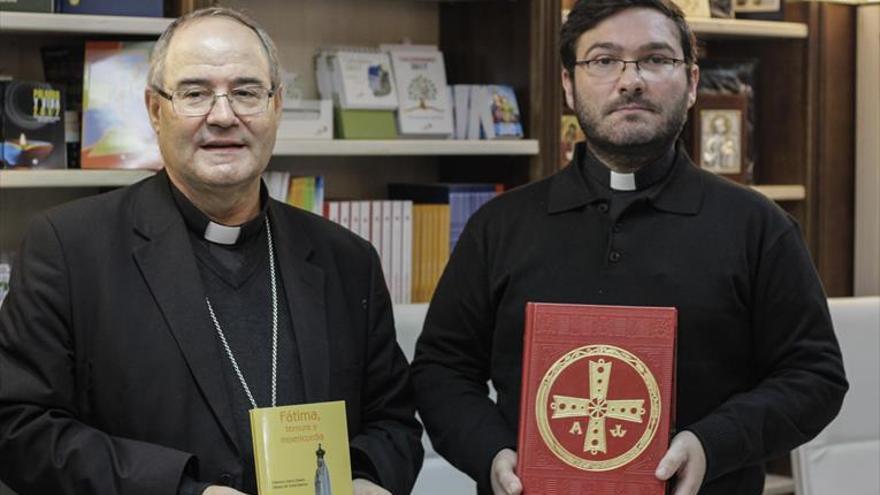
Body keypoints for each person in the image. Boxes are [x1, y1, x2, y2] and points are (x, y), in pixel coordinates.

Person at [410, 1, 847, 494]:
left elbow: (814, 377)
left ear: (693, 82)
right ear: (569, 86)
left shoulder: (759, 227)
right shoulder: (499, 225)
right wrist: (490, 452)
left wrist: (711, 444)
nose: (630, 80)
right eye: (603, 60)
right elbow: (441, 369)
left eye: (656, 59)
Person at [0, 8, 422, 495]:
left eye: (246, 92)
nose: (223, 116)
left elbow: (394, 422)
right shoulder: (69, 248)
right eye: (195, 93)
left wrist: (368, 479)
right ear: (155, 110)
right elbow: (19, 426)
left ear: (277, 106)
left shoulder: (347, 260)